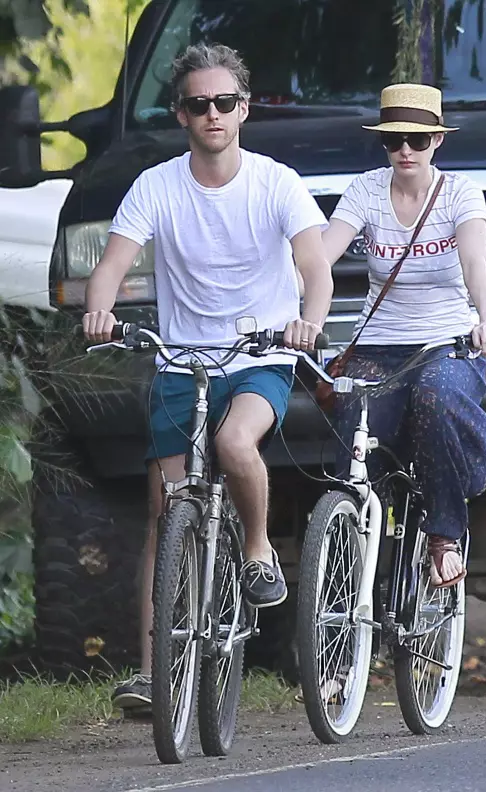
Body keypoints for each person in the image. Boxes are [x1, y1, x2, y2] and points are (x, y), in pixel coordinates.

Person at [82, 43, 332, 709]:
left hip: (259, 355)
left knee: (233, 443)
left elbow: (315, 265)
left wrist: (308, 319)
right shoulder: (157, 186)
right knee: (164, 514)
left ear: (244, 109)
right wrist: (99, 309)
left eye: (225, 102)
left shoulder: (276, 182)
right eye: (200, 104)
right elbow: (111, 263)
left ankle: (256, 550)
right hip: (182, 359)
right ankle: (156, 673)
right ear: (182, 115)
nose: (214, 113)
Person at [322, 83, 486, 588]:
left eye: (418, 140)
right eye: (395, 138)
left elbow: (474, 266)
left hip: (446, 342)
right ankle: (346, 569)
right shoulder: (366, 190)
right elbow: (322, 252)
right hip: (376, 344)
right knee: (353, 419)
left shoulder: (460, 193)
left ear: (437, 142)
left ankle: (444, 532)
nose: (405, 149)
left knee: (437, 393)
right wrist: (286, 297)